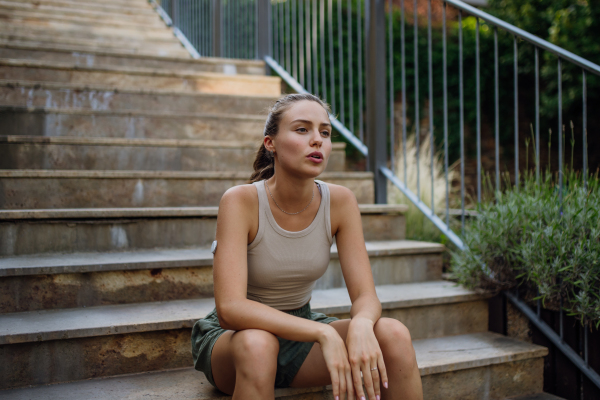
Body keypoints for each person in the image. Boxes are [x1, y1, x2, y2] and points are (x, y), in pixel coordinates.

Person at [191, 93, 423, 400]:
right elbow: (230, 310)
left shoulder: (340, 201)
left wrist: (363, 323)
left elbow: (366, 296)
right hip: (237, 340)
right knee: (259, 345)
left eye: (324, 133)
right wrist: (322, 332)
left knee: (393, 334)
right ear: (270, 143)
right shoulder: (241, 201)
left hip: (301, 331)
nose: (317, 141)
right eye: (302, 130)